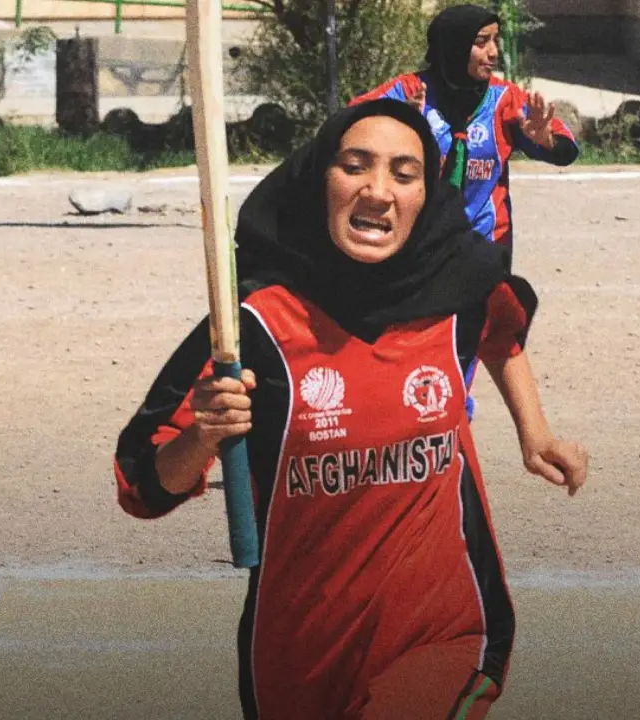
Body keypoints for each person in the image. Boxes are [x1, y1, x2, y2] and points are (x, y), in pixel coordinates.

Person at [114, 99, 588, 720]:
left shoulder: (459, 290)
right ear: (320, 180)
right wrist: (203, 437)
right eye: (355, 166)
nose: (378, 191)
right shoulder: (253, 323)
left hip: (442, 629)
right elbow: (142, 488)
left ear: (425, 194)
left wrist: (536, 433)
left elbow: (501, 335)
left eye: (404, 173)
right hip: (295, 651)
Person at [351, 4, 580, 420]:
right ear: (453, 47)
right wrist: (394, 128)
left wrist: (546, 140)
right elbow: (348, 125)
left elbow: (562, 145)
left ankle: (454, 419)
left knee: (468, 337)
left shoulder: (504, 99)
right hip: (417, 243)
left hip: (481, 243)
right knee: (407, 337)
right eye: (481, 42)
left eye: (496, 40)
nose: (493, 52)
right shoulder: (408, 92)